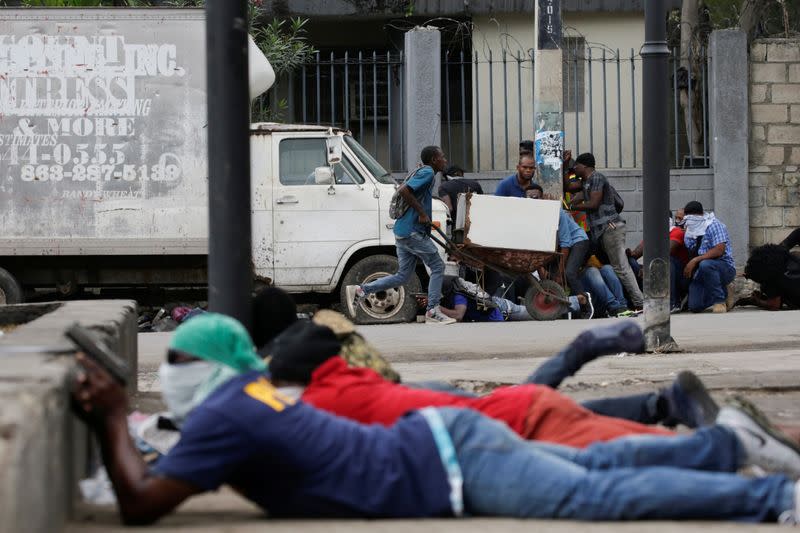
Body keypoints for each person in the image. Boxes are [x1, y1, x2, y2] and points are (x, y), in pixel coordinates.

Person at [73, 313, 800, 525]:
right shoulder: (249, 400)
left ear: (211, 368)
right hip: (452, 440)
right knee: (597, 466)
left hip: (453, 460)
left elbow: (139, 501)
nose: (164, 373)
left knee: (596, 494)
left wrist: (111, 415)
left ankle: (772, 496)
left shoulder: (228, 414)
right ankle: (719, 446)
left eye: (174, 358)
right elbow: (167, 472)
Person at [346, 146, 455, 325]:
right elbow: (405, 190)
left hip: (403, 233)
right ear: (434, 159)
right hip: (412, 232)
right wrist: (421, 213)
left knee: (403, 276)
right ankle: (433, 311)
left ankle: (361, 290)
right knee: (437, 266)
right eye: (442, 157)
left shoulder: (423, 172)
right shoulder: (427, 172)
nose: (445, 160)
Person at [569, 152, 644, 310]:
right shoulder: (587, 182)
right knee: (617, 267)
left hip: (610, 227)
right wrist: (564, 163)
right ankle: (636, 302)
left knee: (621, 267)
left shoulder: (596, 178)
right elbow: (568, 187)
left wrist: (574, 207)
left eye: (576, 166)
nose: (574, 168)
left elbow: (594, 204)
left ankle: (640, 302)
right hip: (605, 230)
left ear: (585, 166)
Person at [525, 184, 592, 312]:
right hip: (559, 245)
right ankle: (568, 306)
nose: (533, 201)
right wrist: (544, 280)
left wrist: (560, 273)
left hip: (578, 241)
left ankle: (585, 304)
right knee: (552, 276)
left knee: (569, 273)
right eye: (530, 198)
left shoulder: (555, 212)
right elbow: (535, 247)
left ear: (543, 198)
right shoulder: (528, 216)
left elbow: (566, 243)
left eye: (536, 198)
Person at [682, 201, 736, 313]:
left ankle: (719, 301)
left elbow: (719, 250)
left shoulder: (715, 225)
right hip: (701, 271)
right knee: (695, 306)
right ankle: (724, 293)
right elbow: (691, 249)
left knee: (705, 264)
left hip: (723, 267)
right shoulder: (690, 229)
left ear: (700, 215)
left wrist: (695, 260)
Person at [743, 228, 800, 310]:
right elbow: (779, 250)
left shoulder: (769, 280)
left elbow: (774, 305)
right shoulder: (791, 258)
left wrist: (756, 301)